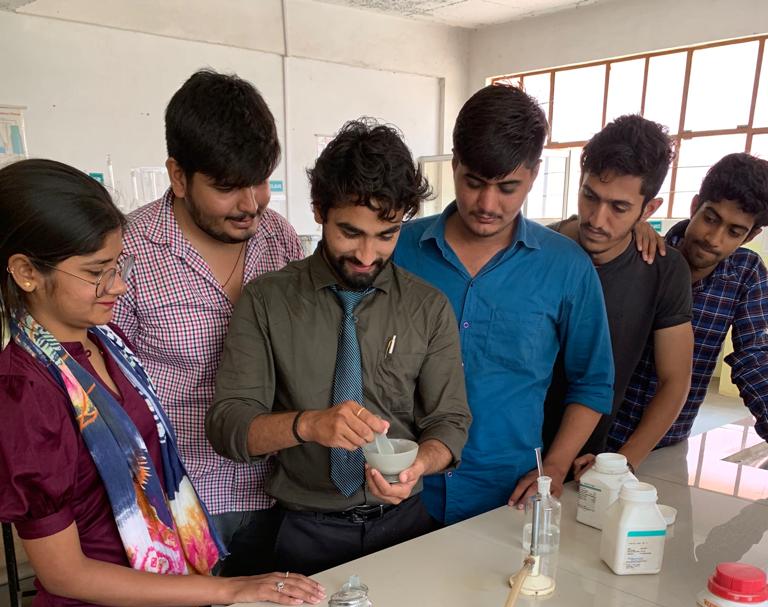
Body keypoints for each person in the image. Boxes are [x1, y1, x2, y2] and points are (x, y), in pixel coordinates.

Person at [0, 160, 323, 607]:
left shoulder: (105, 341)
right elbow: (64, 573)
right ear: (25, 272)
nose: (118, 286)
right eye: (95, 272)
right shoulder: (25, 391)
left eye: (119, 265)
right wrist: (227, 589)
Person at [206, 120, 471, 576]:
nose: (367, 255)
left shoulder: (427, 307)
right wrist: (308, 424)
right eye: (350, 232)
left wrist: (418, 466)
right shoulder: (267, 301)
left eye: (386, 235)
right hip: (304, 533)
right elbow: (229, 426)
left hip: (405, 527)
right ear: (319, 211)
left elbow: (450, 421)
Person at [394, 84, 614, 524]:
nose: (487, 204)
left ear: (533, 174)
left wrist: (554, 467)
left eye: (508, 188)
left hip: (508, 496)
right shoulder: (399, 249)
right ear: (454, 165)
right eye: (473, 183)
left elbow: (592, 382)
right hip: (401, 490)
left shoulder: (566, 267)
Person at [112, 69, 304, 573]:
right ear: (178, 176)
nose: (250, 205)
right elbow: (109, 395)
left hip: (278, 489)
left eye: (259, 181)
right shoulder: (128, 253)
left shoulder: (279, 239)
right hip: (180, 500)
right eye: (226, 188)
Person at [542, 115, 693, 476]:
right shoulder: (537, 253)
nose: (597, 219)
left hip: (585, 462)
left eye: (619, 207)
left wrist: (623, 461)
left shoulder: (663, 270)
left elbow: (675, 380)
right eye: (589, 196)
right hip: (510, 453)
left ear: (649, 209)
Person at [611, 152, 768, 449]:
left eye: (734, 231)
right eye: (710, 219)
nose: (714, 238)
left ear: (750, 236)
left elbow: (754, 357)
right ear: (695, 206)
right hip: (600, 432)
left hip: (669, 442)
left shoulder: (746, 274)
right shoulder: (642, 252)